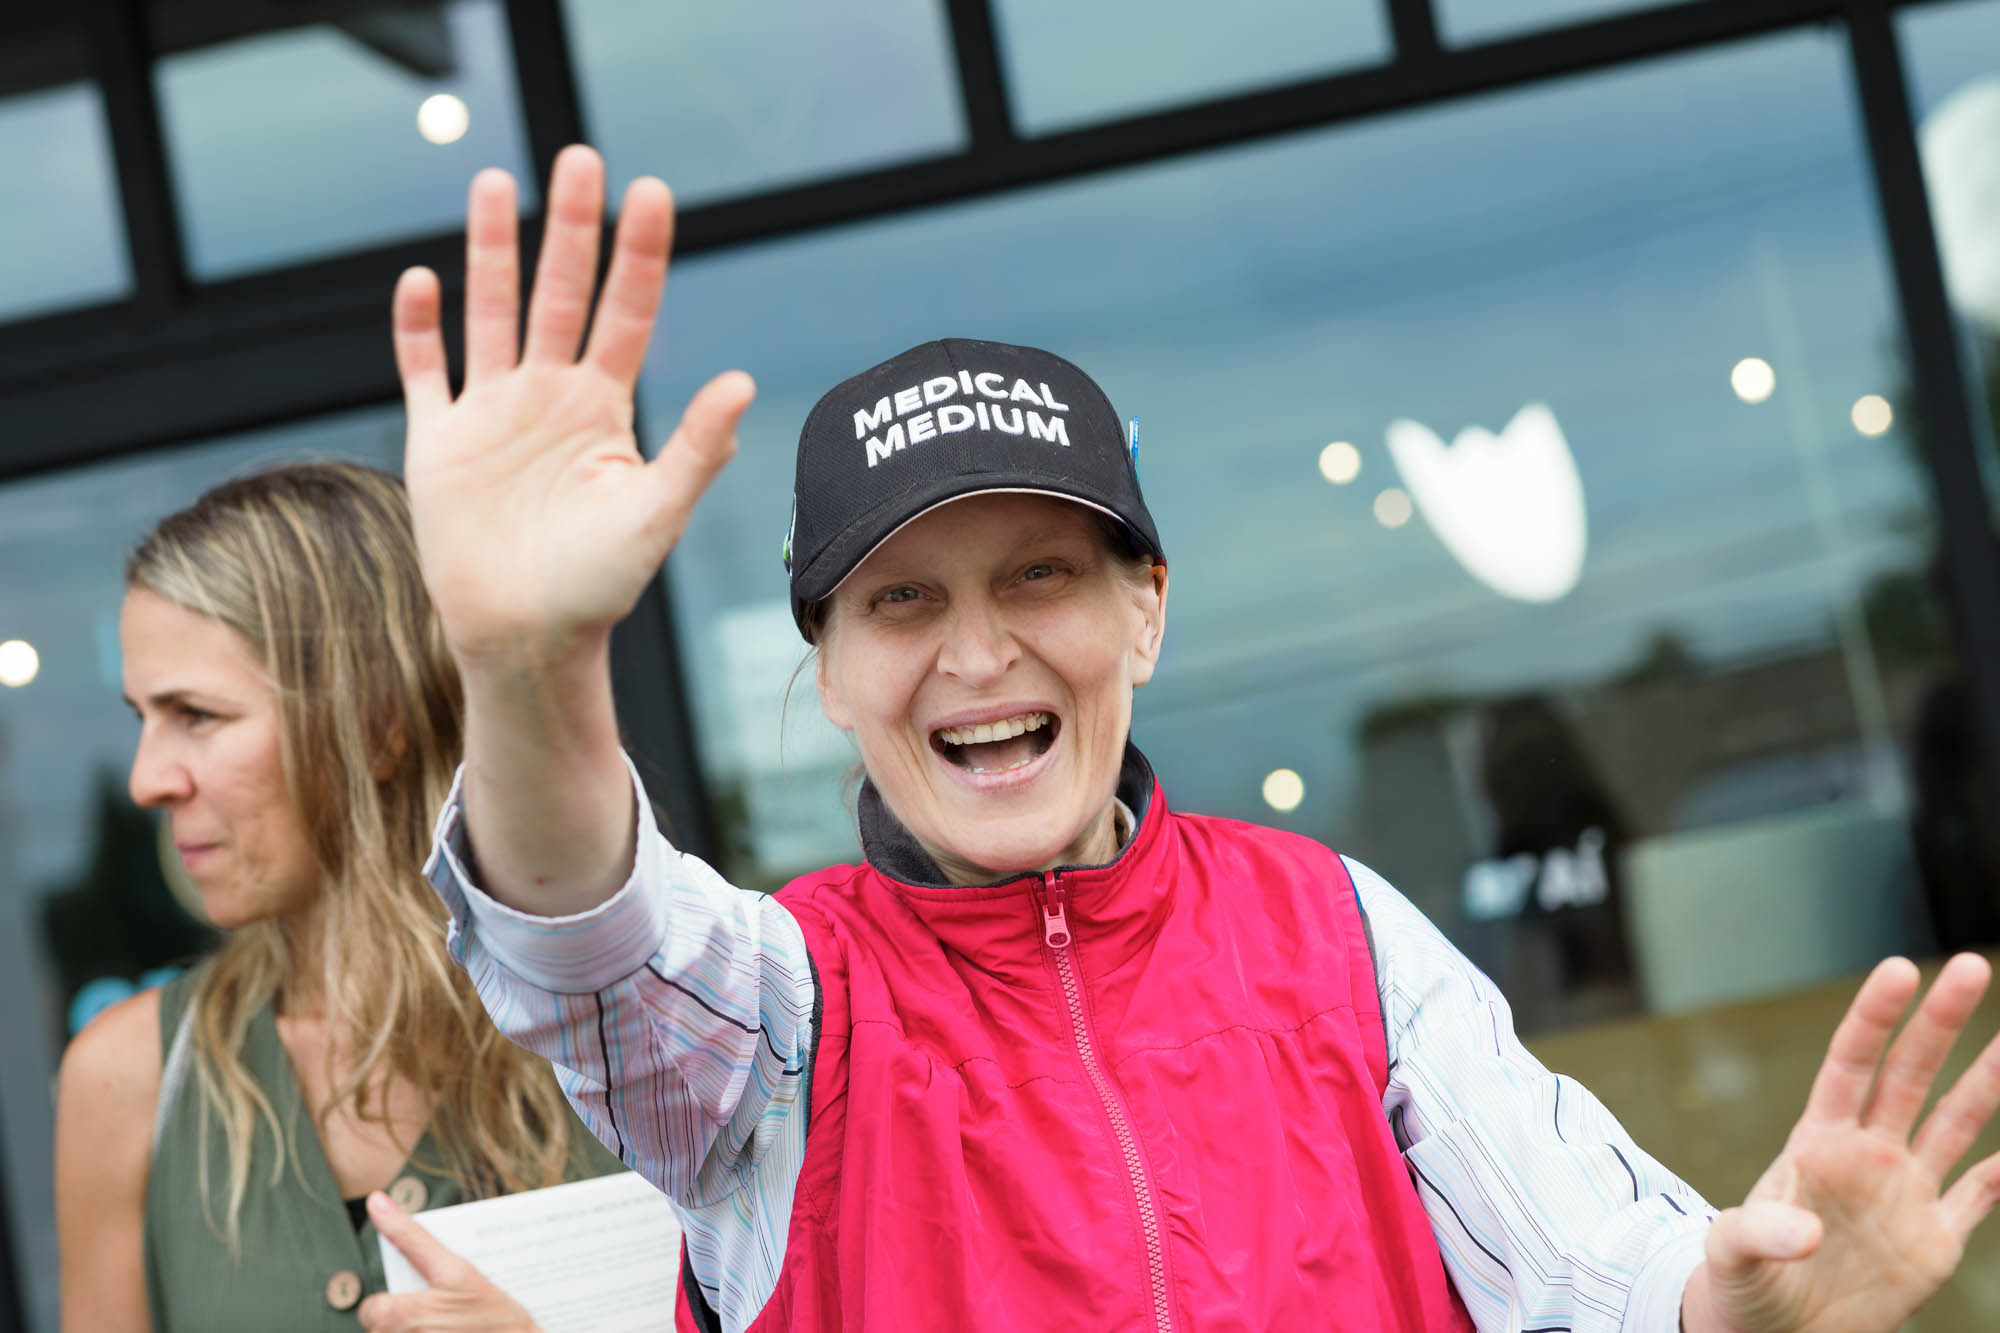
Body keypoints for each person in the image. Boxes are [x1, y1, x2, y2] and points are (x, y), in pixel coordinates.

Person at [392, 144, 2000, 1332]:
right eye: (901, 601)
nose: (978, 653)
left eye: (1041, 575)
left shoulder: (1336, 929)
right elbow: (585, 935)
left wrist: (1745, 1304)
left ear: (1146, 613)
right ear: (828, 671)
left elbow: (1605, 1273)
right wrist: (526, 665)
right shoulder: (780, 1017)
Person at [53, 462, 626, 1333]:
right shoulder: (130, 1078)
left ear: (380, 721)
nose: (147, 779)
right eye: (144, 718)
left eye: (196, 714)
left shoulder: (623, 1026)